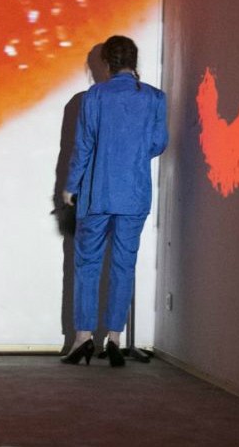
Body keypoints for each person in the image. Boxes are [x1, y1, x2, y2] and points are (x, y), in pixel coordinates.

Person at [60, 35, 168, 367]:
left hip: (98, 193)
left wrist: (70, 186)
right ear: (134, 62)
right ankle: (115, 339)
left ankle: (82, 338)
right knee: (124, 265)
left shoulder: (95, 95)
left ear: (106, 63)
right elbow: (158, 144)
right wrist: (131, 153)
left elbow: (83, 146)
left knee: (87, 264)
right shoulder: (155, 98)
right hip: (134, 194)